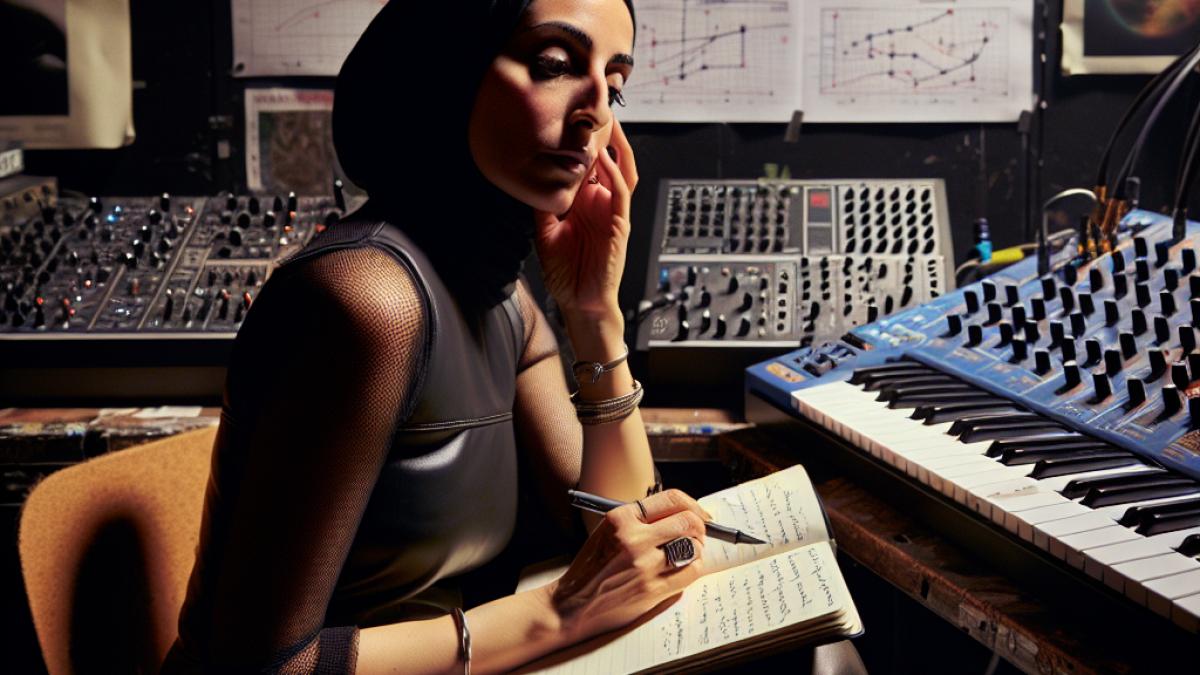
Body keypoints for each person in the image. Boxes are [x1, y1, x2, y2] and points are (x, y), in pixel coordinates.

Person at [160, 1, 714, 673]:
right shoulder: (367, 300)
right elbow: (267, 664)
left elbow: (613, 528)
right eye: (555, 65)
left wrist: (595, 313)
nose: (597, 110)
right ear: (450, 66)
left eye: (615, 86)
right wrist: (561, 611)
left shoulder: (501, 297)